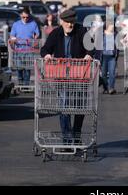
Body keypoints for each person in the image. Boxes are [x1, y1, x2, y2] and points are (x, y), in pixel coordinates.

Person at [40, 9, 95, 142]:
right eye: (67, 22)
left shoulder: (81, 30)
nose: (70, 25)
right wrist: (47, 55)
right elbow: (45, 48)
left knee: (79, 107)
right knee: (64, 107)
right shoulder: (56, 33)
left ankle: (76, 135)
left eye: (72, 22)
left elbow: (91, 45)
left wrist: (88, 54)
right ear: (61, 21)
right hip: (62, 77)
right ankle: (67, 138)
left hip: (80, 76)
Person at [10, 8, 40, 86]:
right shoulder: (16, 24)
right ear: (21, 16)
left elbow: (37, 34)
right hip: (18, 50)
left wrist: (35, 37)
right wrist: (14, 39)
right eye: (24, 17)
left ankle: (26, 86)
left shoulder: (33, 23)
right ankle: (20, 84)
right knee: (19, 68)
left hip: (29, 50)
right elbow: (12, 35)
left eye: (27, 17)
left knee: (27, 69)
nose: (25, 19)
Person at [100, 22, 118, 95]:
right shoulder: (101, 34)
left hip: (112, 57)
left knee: (112, 73)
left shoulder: (115, 35)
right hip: (104, 56)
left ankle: (111, 88)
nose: (112, 27)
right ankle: (105, 87)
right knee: (103, 74)